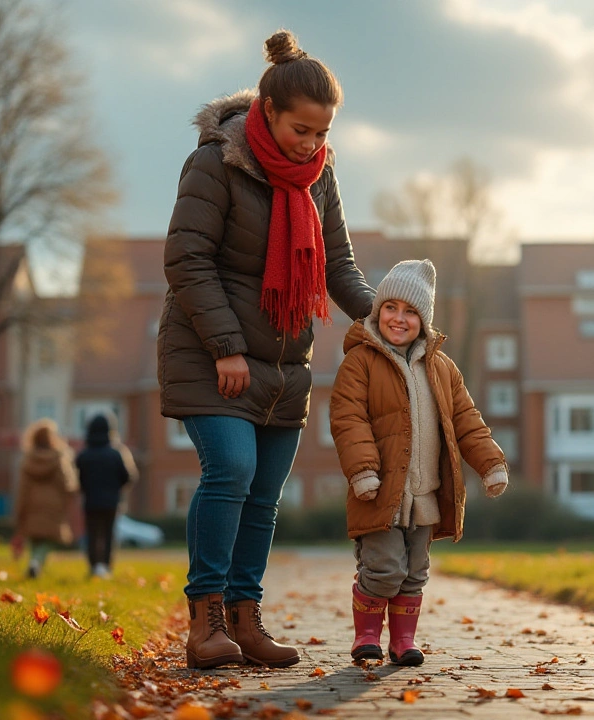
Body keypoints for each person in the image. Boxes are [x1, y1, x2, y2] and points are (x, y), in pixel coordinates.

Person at [158, 30, 375, 670]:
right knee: (230, 470)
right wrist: (226, 347)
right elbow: (187, 260)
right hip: (210, 351)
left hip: (284, 365)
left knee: (263, 496)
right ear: (268, 111)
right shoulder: (215, 163)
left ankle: (246, 621)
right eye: (300, 129)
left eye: (322, 132)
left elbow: (338, 264)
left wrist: (386, 314)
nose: (311, 143)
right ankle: (206, 625)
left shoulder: (319, 176)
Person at [331, 259, 508, 666]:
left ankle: (403, 641)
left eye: (411, 312)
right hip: (380, 488)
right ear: (377, 310)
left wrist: (491, 464)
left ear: (424, 321)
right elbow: (348, 417)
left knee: (414, 571)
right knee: (384, 567)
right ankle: (367, 637)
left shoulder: (443, 368)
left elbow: (466, 420)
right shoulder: (361, 361)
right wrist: (362, 471)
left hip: (425, 492)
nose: (399, 318)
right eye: (391, 307)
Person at [76, 413, 138, 579]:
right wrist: (116, 489)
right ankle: (106, 566)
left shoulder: (84, 455)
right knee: (109, 534)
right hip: (111, 501)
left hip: (90, 501)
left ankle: (93, 565)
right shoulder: (116, 453)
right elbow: (128, 477)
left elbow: (78, 479)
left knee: (92, 533)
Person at [13, 419, 78, 579]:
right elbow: (67, 483)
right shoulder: (59, 458)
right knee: (48, 540)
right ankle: (36, 562)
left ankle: (34, 563)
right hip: (53, 505)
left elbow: (22, 488)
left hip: (32, 503)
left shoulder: (27, 460)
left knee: (35, 538)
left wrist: (19, 510)